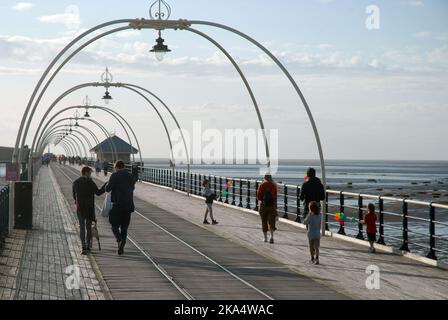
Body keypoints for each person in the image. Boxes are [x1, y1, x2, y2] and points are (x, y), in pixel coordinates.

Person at [72, 166, 106, 255]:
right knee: (88, 228)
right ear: (86, 173)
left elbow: (73, 196)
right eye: (90, 173)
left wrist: (78, 202)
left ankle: (83, 246)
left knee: (82, 229)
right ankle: (87, 246)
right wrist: (106, 185)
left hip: (80, 209)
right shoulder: (90, 182)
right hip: (89, 209)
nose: (90, 174)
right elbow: (98, 193)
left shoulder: (75, 182)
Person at [105, 160, 135, 255]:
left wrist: (108, 184)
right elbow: (132, 188)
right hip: (129, 205)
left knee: (113, 225)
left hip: (118, 204)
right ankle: (121, 246)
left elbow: (108, 188)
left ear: (116, 167)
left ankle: (119, 239)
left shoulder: (115, 175)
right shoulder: (130, 175)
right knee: (124, 227)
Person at [256, 173, 278, 244]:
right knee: (271, 222)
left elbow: (258, 197)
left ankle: (265, 238)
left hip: (263, 205)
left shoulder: (262, 185)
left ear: (264, 178)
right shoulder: (274, 186)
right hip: (272, 206)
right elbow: (275, 197)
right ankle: (271, 237)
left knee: (264, 221)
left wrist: (263, 199)